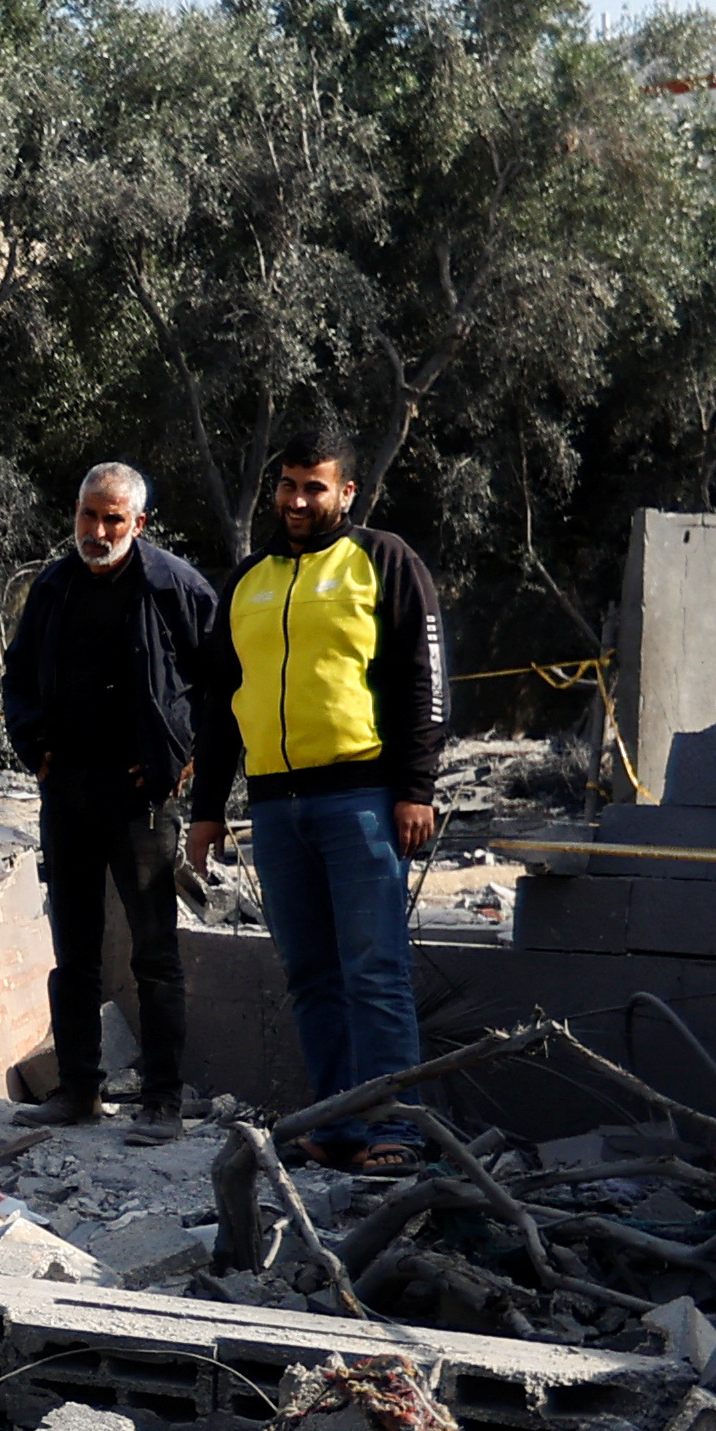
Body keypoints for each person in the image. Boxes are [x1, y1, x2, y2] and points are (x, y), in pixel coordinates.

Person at [187, 425, 449, 1173]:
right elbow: (219, 703)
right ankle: (336, 1124)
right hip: (273, 808)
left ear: (347, 492)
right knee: (311, 974)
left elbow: (423, 681)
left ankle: (395, 1128)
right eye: (289, 486)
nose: (299, 500)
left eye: (316, 487)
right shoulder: (248, 581)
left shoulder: (383, 561)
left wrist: (415, 789)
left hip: (362, 800)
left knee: (374, 968)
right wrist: (207, 810)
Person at [1, 463, 220, 1131]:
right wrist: (30, 745)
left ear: (139, 523)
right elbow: (17, 675)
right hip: (66, 792)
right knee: (74, 952)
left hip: (142, 801)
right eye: (89, 516)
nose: (97, 531)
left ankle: (162, 1101)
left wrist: (182, 760)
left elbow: (218, 685)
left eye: (113, 519)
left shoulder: (174, 587)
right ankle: (77, 1092)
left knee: (154, 953)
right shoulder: (53, 585)